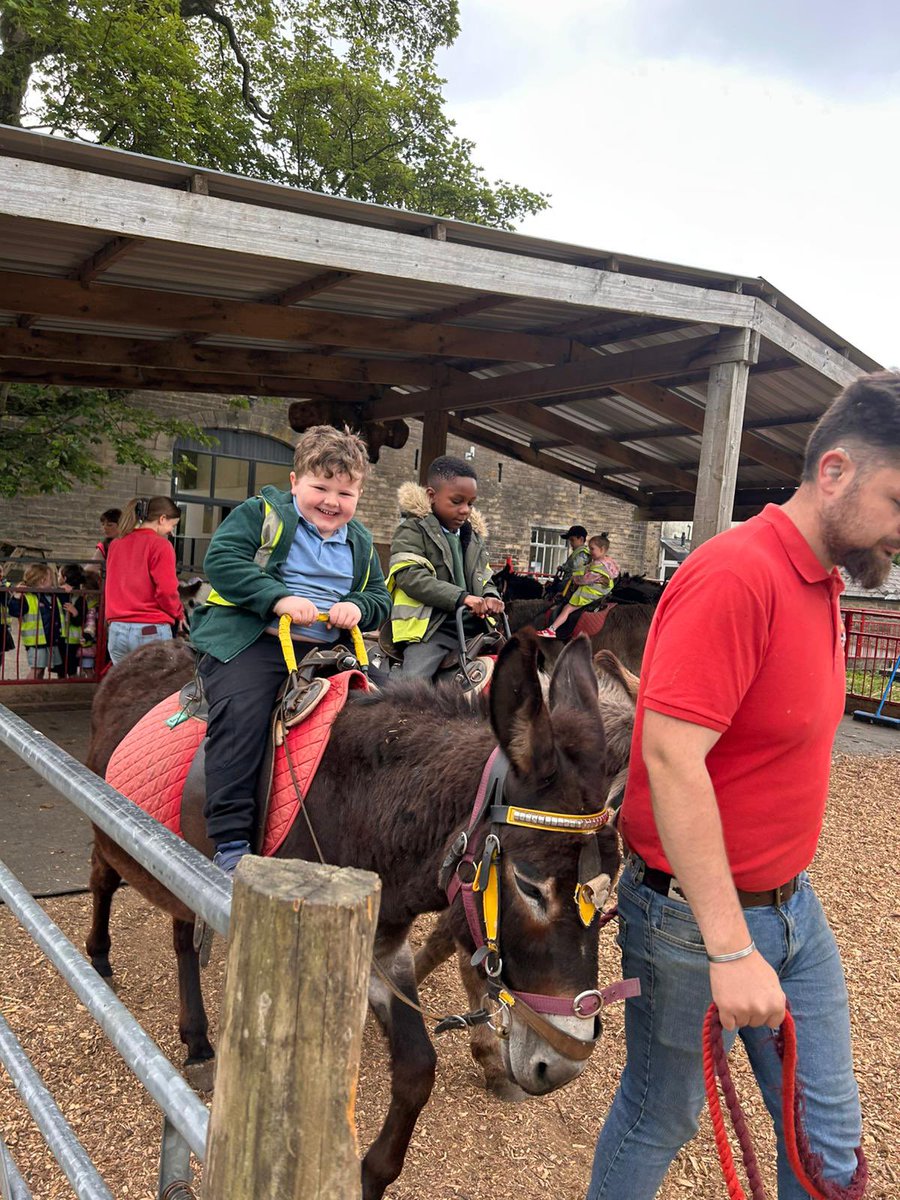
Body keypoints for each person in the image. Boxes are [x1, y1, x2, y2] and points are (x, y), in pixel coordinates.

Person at [585, 373, 900, 1200]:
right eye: (898, 500)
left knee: (828, 1144)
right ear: (834, 471)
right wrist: (731, 947)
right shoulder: (738, 574)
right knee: (662, 1112)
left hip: (793, 906)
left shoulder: (824, 578)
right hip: (696, 917)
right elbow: (671, 758)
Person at [189, 425, 391, 875]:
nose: (332, 502)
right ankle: (230, 840)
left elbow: (380, 597)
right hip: (257, 642)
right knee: (241, 718)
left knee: (397, 711)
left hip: (329, 652)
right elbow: (222, 561)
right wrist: (276, 598)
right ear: (295, 482)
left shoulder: (358, 540)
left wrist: (357, 607)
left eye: (345, 492)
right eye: (320, 487)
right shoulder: (259, 514)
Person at [387, 455, 504, 679]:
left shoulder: (474, 538)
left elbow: (485, 577)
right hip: (432, 630)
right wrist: (462, 598)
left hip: (476, 627)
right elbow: (410, 577)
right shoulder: (413, 531)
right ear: (432, 495)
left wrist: (490, 596)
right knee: (412, 688)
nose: (465, 510)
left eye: (470, 503)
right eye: (457, 501)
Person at [104, 497, 184, 665]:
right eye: (173, 525)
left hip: (117, 630)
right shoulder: (161, 545)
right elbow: (167, 591)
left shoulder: (116, 544)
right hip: (150, 629)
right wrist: (178, 613)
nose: (171, 531)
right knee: (156, 689)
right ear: (162, 519)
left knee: (125, 689)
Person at [538, 533, 619, 638]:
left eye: (592, 549)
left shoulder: (598, 565)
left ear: (602, 549)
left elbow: (585, 579)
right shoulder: (608, 561)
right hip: (604, 589)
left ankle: (552, 629)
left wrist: (575, 579)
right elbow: (587, 568)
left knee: (567, 608)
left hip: (592, 591)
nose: (590, 551)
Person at [5, 563, 62, 679]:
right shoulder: (27, 597)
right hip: (36, 641)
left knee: (41, 670)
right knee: (36, 670)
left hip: (49, 639)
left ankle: (35, 690)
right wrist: (16, 596)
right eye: (50, 578)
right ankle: (26, 690)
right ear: (42, 581)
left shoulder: (51, 595)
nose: (53, 582)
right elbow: (14, 611)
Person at [55, 562, 88, 678]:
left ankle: (72, 688)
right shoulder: (58, 593)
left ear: (64, 578)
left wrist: (75, 613)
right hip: (60, 638)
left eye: (59, 576)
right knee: (60, 668)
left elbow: (81, 620)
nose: (57, 578)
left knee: (72, 668)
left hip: (72, 641)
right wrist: (59, 589)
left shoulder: (80, 598)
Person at [549, 524, 591, 598]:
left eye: (572, 540)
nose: (570, 543)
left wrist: (564, 568)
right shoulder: (576, 552)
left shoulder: (583, 553)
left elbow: (575, 566)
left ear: (581, 539)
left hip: (573, 582)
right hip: (569, 581)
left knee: (557, 589)